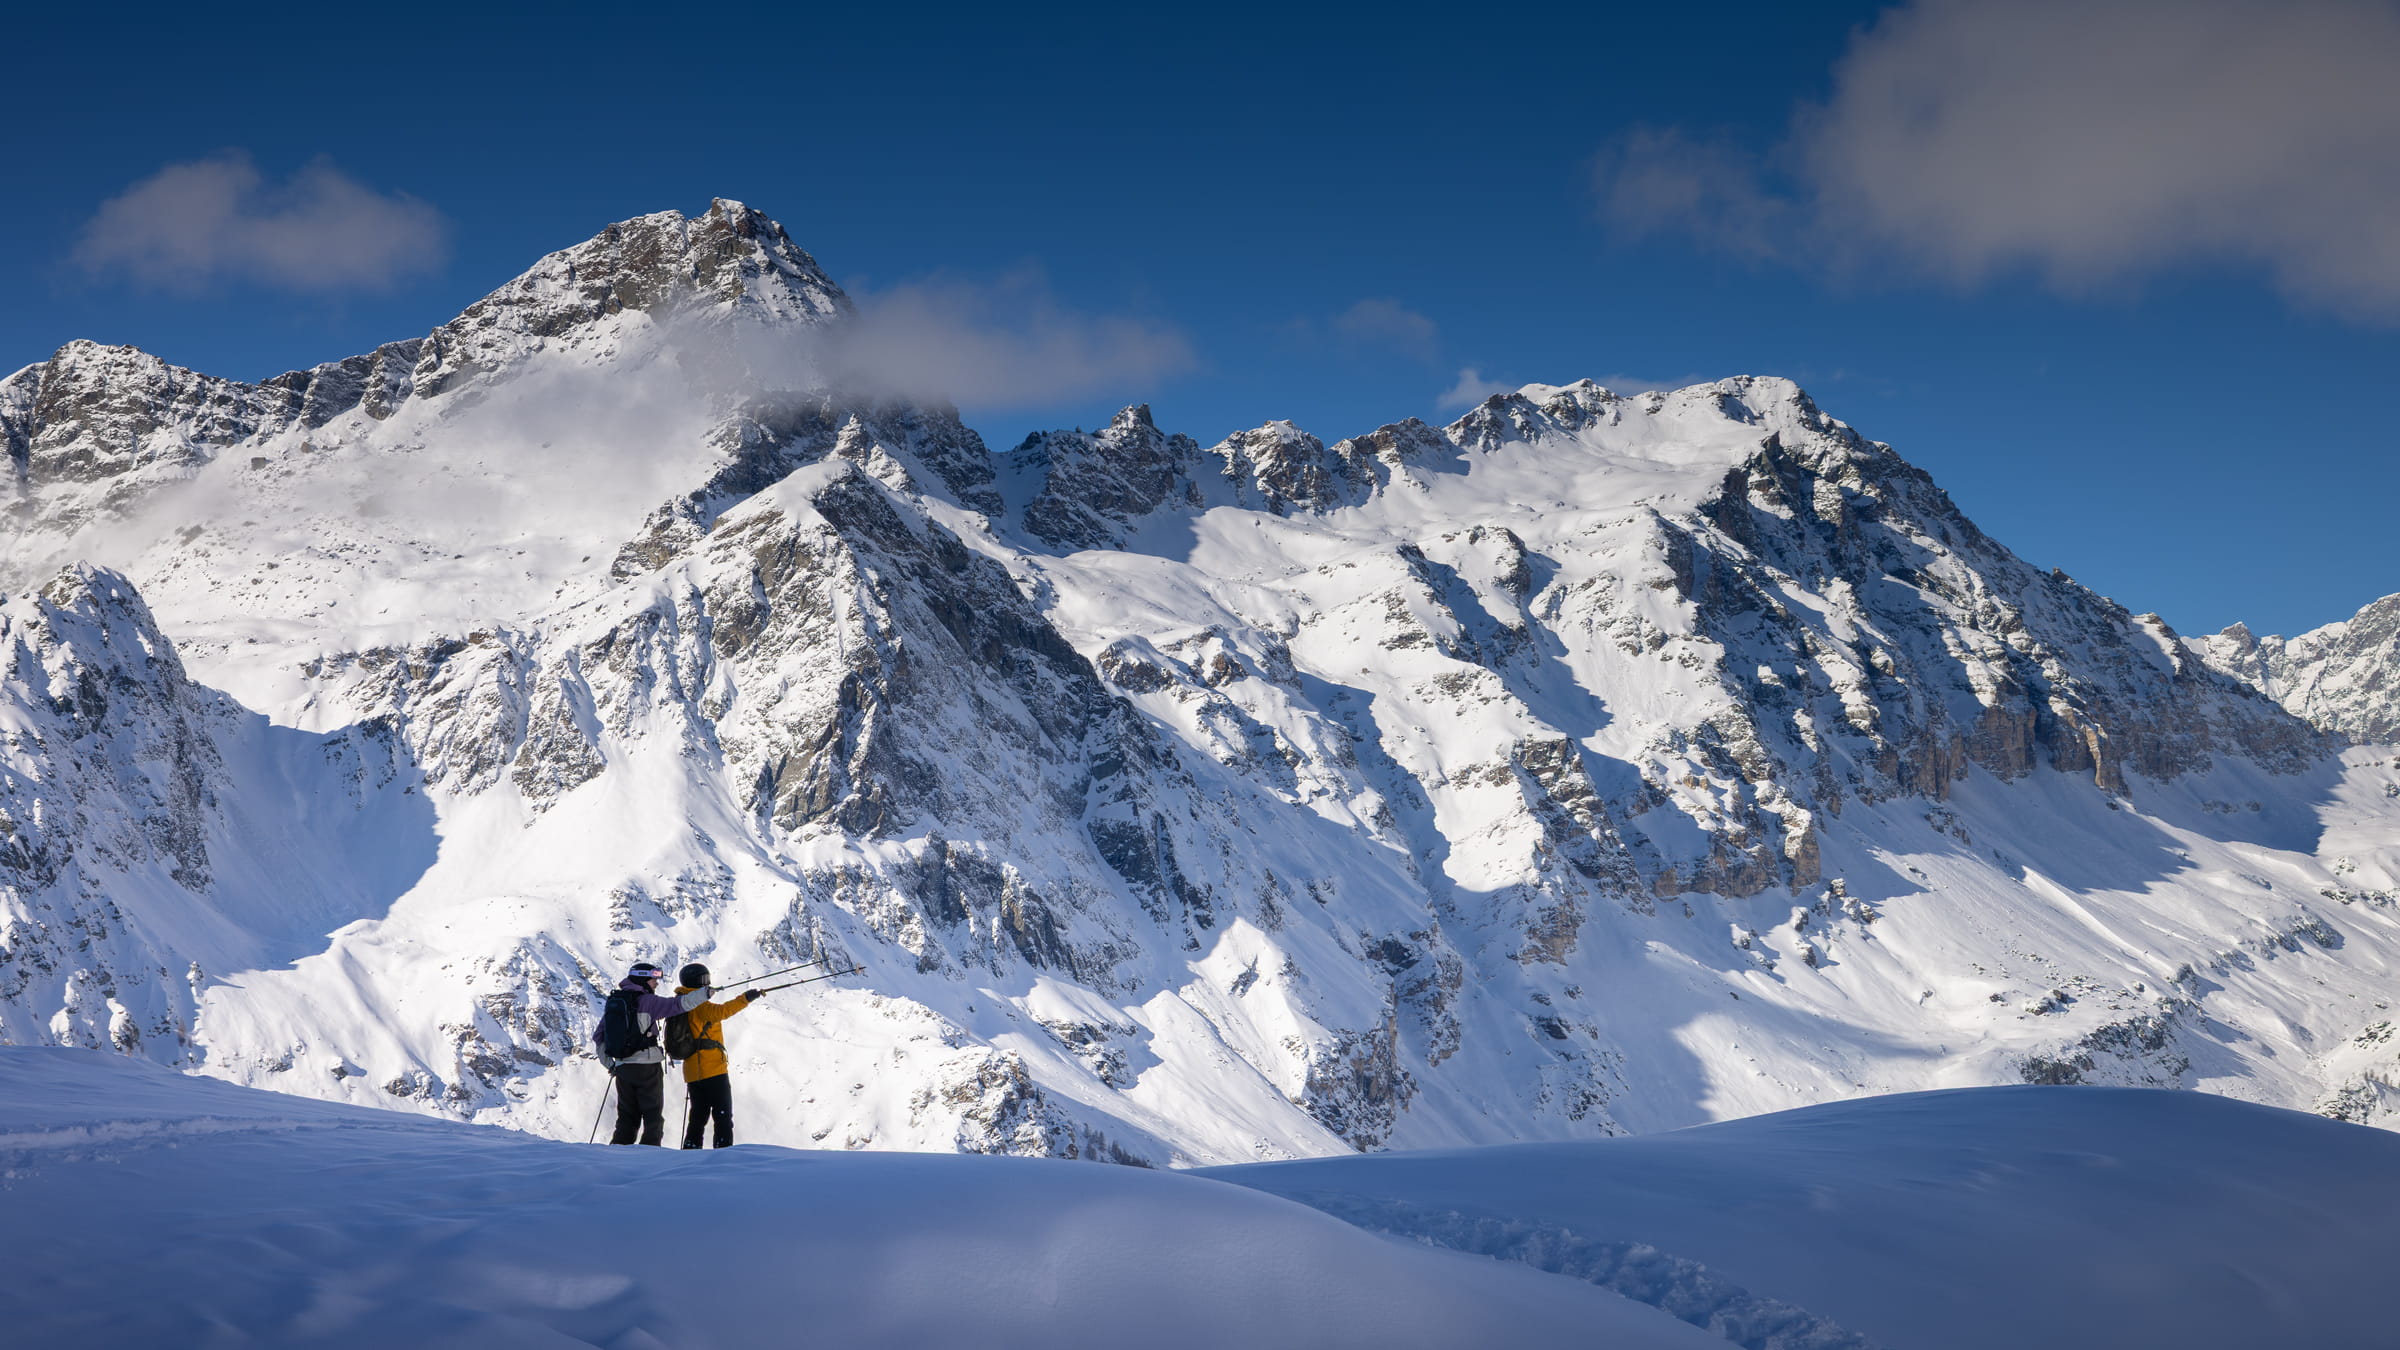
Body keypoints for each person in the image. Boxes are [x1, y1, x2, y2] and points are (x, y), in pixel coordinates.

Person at [594, 961, 712, 1146]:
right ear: (643, 980)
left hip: (623, 1068)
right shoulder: (648, 1001)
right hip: (647, 1068)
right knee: (652, 1116)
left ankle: (617, 1155)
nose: (656, 984)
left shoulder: (615, 1002)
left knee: (626, 1117)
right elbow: (679, 1004)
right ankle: (649, 1157)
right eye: (653, 980)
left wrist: (612, 1064)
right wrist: (705, 994)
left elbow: (599, 1036)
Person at [674, 962, 764, 1149]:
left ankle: (690, 1151)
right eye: (704, 979)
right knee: (723, 1116)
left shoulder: (682, 1001)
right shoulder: (697, 1003)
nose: (707, 983)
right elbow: (721, 1012)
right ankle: (723, 1154)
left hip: (693, 1071)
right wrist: (745, 998)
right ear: (697, 981)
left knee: (698, 1116)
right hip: (711, 1068)